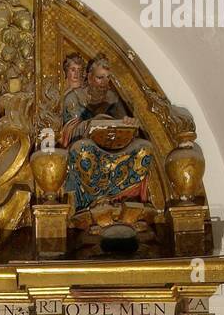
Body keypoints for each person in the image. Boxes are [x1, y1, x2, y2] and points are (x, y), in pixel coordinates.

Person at [60, 55, 154, 211]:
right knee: (83, 149)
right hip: (89, 148)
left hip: (115, 148)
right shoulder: (74, 98)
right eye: (99, 78)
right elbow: (69, 130)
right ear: (89, 77)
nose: (104, 83)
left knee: (144, 148)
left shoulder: (112, 98)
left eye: (107, 78)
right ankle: (95, 202)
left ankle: (125, 200)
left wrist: (129, 124)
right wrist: (90, 124)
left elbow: (124, 124)